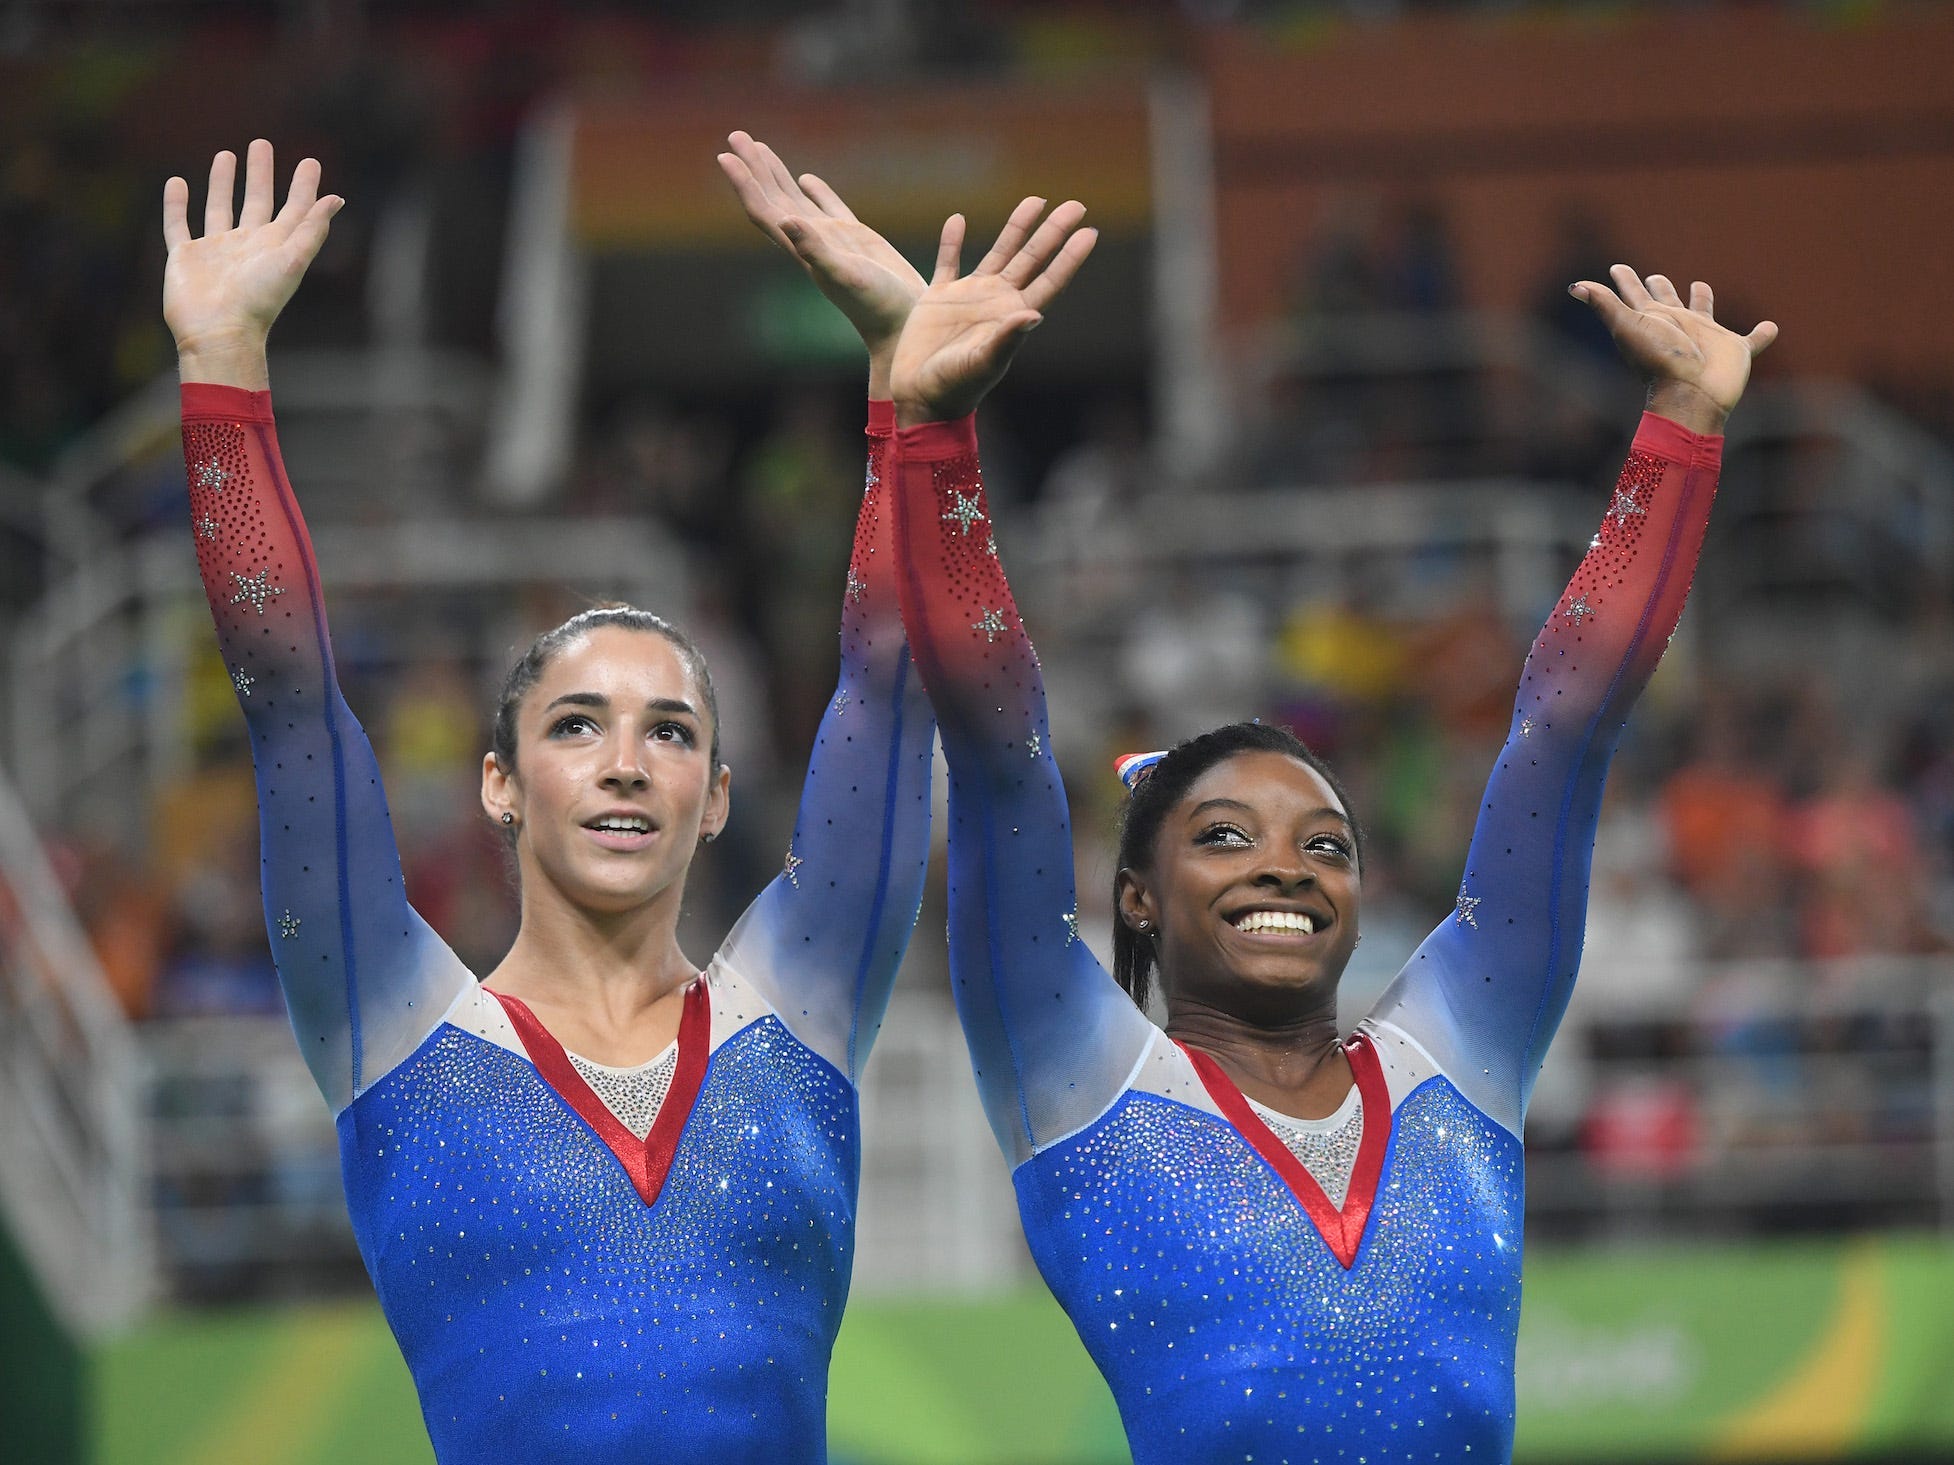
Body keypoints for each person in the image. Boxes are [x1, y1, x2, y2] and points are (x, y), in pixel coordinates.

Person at [158, 132, 1073, 1463]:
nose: (627, 761)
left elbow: (886, 683)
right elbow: (285, 692)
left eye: (670, 731)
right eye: (576, 725)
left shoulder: (797, 1012)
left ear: (714, 796)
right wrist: (221, 372)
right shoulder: (391, 1026)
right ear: (500, 785)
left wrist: (909, 397)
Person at [885, 243, 1774, 1462]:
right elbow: (996, 748)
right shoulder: (1077, 1082)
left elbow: (1564, 727)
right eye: (1224, 837)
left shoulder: (1455, 1059)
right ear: (1135, 897)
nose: (1286, 865)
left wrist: (1680, 431)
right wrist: (932, 437)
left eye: (1325, 844)